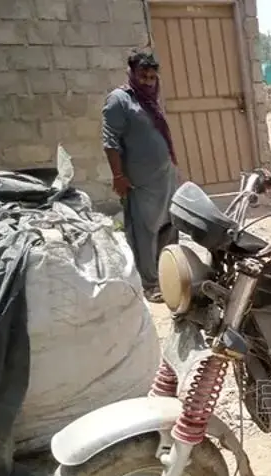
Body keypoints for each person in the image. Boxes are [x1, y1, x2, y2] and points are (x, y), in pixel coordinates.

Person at [102, 49, 179, 303]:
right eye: (143, 76)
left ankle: (170, 273)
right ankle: (150, 282)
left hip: (165, 178)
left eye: (152, 77)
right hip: (140, 182)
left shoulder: (151, 101)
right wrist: (118, 176)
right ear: (131, 74)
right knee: (145, 231)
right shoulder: (119, 100)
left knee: (169, 226)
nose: (148, 81)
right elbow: (110, 141)